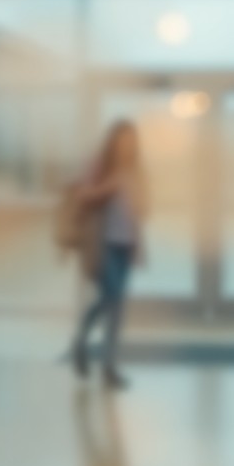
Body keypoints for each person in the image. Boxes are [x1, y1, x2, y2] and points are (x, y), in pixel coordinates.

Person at [69, 121, 148, 390]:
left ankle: (99, 357)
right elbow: (81, 195)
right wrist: (108, 187)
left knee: (113, 305)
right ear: (113, 142)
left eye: (131, 141)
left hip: (126, 246)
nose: (128, 146)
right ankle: (102, 361)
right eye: (123, 140)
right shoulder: (100, 165)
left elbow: (140, 210)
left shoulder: (137, 170)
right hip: (103, 245)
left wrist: (139, 243)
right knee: (112, 300)